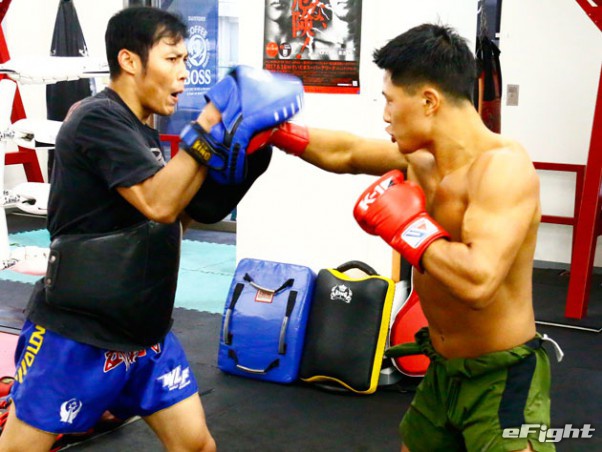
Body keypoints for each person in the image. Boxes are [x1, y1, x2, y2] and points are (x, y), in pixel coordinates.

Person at [0, 6, 301, 452]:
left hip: (144, 335)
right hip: (77, 335)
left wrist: (242, 163)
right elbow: (158, 204)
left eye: (185, 60)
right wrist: (208, 126)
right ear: (129, 60)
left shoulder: (142, 132)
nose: (184, 73)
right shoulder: (97, 119)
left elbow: (179, 216)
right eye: (172, 59)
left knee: (196, 445)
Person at [257, 23, 559, 451]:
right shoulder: (422, 160)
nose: (385, 115)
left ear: (429, 101)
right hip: (442, 372)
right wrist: (274, 133)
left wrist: (410, 228)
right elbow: (348, 152)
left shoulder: (502, 168)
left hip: (502, 377)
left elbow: (479, 282)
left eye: (390, 100)